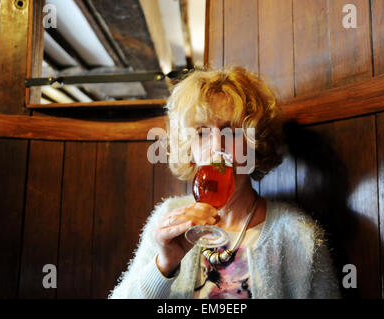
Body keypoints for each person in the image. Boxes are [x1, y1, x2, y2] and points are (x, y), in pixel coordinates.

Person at [109, 67, 341, 299]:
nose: (217, 147)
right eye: (201, 133)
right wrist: (163, 265)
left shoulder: (297, 235)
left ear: (255, 143)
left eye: (231, 132)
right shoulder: (169, 218)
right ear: (189, 148)